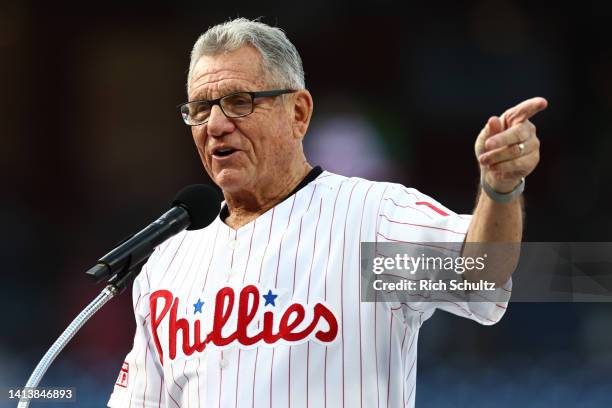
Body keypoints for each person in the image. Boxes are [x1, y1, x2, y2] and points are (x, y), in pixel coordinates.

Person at [107, 18, 546, 408]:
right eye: (200, 109)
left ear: (298, 113)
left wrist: (500, 190)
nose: (216, 124)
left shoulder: (373, 220)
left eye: (240, 101)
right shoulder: (168, 261)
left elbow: (481, 275)